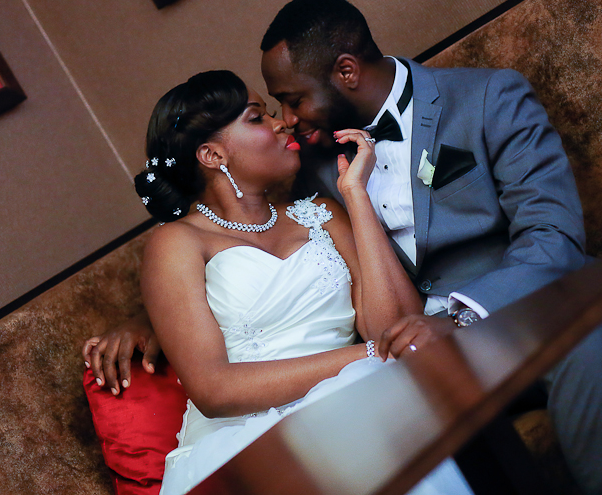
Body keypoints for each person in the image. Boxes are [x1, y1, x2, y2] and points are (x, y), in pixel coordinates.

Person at [86, 0, 602, 494]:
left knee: (577, 340)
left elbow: (552, 239)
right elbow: (228, 258)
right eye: (266, 112)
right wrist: (151, 321)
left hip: (509, 318)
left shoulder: (487, 99)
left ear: (346, 72)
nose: (285, 121)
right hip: (403, 365)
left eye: (290, 101)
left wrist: (458, 319)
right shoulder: (312, 166)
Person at [126, 70, 471, 495]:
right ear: (213, 155)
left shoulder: (322, 213)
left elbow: (395, 326)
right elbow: (214, 389)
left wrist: (356, 195)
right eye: (258, 117)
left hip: (353, 401)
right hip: (243, 438)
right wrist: (369, 356)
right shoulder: (176, 243)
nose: (282, 123)